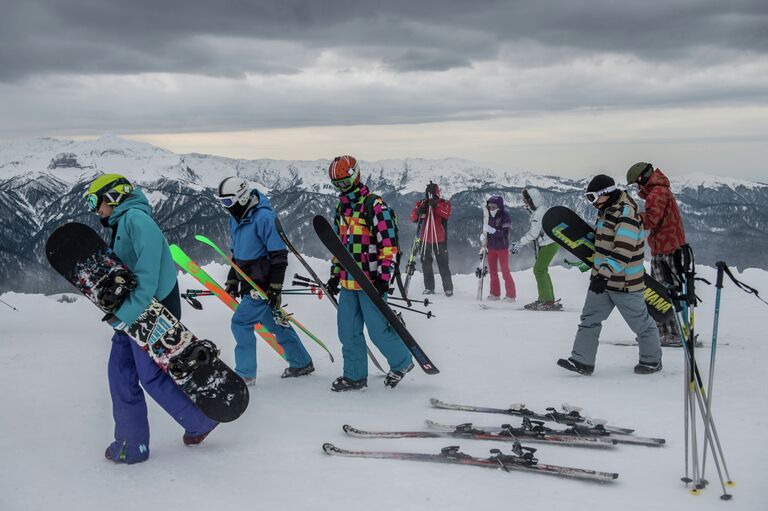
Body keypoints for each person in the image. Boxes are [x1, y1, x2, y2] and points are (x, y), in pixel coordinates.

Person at [84, 173, 217, 465]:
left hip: (153, 310)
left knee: (150, 374)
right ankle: (131, 444)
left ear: (114, 196)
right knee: (120, 373)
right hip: (135, 311)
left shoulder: (137, 220)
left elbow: (148, 274)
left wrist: (127, 314)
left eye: (95, 201)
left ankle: (200, 421)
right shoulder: (122, 222)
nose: (95, 210)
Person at [557, 175, 663, 375]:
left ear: (605, 193)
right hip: (603, 280)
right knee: (589, 319)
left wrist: (603, 274)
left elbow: (623, 250)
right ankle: (582, 360)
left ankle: (652, 360)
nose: (592, 202)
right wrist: (598, 273)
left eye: (592, 197)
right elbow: (603, 246)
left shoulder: (626, 214)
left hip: (625, 284)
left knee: (641, 323)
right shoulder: (607, 211)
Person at [325, 155, 414, 391]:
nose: (342, 188)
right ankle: (354, 376)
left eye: (345, 182)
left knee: (377, 331)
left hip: (370, 282)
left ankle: (402, 362)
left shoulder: (374, 206)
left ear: (355, 177)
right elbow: (339, 247)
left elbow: (389, 246)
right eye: (337, 184)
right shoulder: (341, 208)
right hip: (348, 282)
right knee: (348, 331)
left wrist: (384, 279)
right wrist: (335, 274)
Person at [217, 176, 314, 385]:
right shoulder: (235, 219)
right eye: (222, 202)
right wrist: (233, 280)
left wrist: (275, 288)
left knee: (241, 323)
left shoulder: (264, 218)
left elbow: (279, 255)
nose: (226, 207)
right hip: (249, 282)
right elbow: (237, 254)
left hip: (261, 284)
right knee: (274, 323)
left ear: (241, 197)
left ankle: (245, 374)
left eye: (228, 201)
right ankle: (301, 362)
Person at [627, 162, 687, 346]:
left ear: (642, 178)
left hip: (667, 249)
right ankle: (664, 331)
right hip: (666, 246)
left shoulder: (657, 193)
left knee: (664, 292)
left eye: (636, 184)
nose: (637, 188)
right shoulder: (659, 190)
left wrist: (629, 218)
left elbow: (651, 220)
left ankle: (672, 333)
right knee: (661, 291)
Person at [509, 188, 559, 310]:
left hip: (548, 244)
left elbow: (533, 234)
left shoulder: (538, 214)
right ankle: (548, 299)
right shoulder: (541, 209)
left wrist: (519, 243)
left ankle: (546, 300)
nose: (525, 204)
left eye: (526, 201)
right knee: (542, 270)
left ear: (533, 200)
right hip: (551, 243)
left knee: (539, 270)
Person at [410, 182, 453, 296]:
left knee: (443, 264)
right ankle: (429, 288)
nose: (431, 197)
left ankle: (448, 288)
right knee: (426, 264)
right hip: (424, 239)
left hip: (440, 239)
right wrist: (419, 211)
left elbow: (446, 214)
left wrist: (435, 205)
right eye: (429, 194)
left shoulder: (444, 203)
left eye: (433, 194)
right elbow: (413, 217)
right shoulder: (421, 203)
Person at [482, 196, 516, 301]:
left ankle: (511, 295)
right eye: (490, 206)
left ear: (499, 206)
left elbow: (505, 233)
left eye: (494, 206)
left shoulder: (505, 215)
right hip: (491, 247)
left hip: (502, 247)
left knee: (505, 271)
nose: (491, 208)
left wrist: (493, 231)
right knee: (492, 272)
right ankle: (495, 294)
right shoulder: (487, 216)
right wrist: (483, 236)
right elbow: (486, 230)